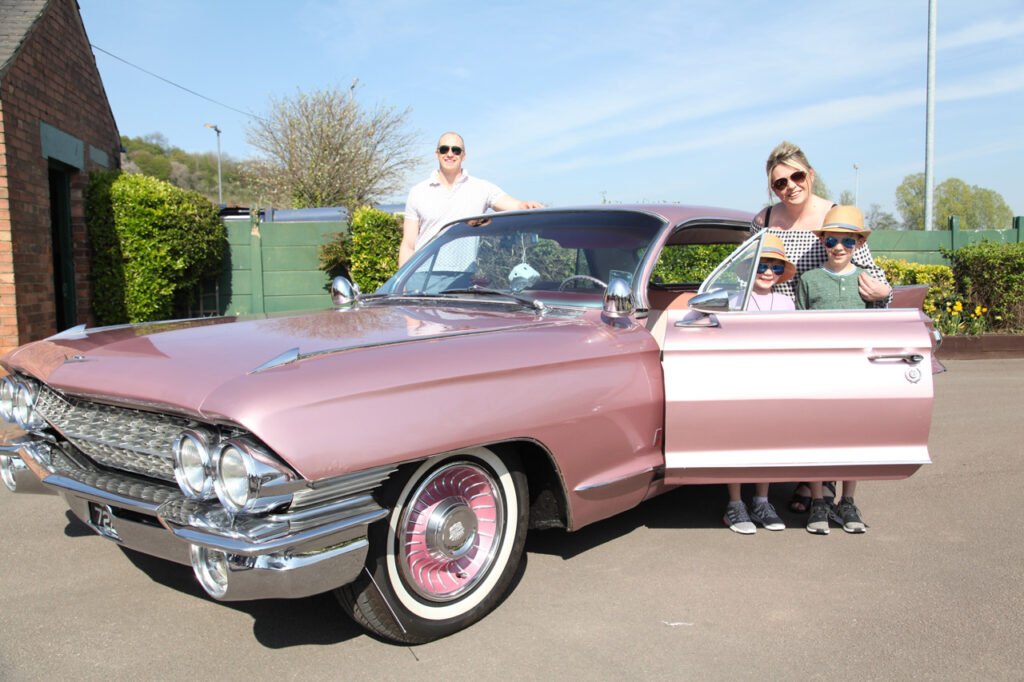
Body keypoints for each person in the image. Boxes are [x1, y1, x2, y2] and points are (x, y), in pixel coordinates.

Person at [750, 141, 891, 516]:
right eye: (780, 182)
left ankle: (820, 482)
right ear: (772, 188)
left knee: (826, 409)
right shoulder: (763, 220)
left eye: (797, 176)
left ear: (810, 174)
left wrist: (885, 291)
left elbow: (866, 272)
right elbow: (750, 271)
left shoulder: (835, 214)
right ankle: (788, 475)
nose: (790, 186)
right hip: (774, 322)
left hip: (824, 327)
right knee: (784, 407)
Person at [794, 204, 871, 535]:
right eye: (831, 240)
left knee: (854, 437)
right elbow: (798, 325)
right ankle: (818, 500)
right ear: (823, 241)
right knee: (816, 436)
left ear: (858, 243)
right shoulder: (809, 280)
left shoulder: (867, 281)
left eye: (847, 241)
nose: (839, 247)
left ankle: (848, 500)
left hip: (855, 372)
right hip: (818, 371)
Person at [723, 235, 795, 534]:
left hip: (773, 378)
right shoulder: (733, 298)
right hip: (740, 378)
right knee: (737, 439)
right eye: (762, 265)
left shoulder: (786, 302)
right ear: (749, 267)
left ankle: (762, 500)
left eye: (776, 268)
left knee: (768, 440)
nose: (768, 272)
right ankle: (735, 503)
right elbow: (699, 317)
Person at [399, 132, 543, 266]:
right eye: (444, 149)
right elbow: (408, 245)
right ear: (437, 154)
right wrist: (400, 286)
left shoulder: (481, 188)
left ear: (463, 156)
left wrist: (526, 205)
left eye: (456, 150)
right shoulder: (418, 192)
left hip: (462, 277)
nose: (450, 154)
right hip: (420, 274)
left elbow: (515, 206)